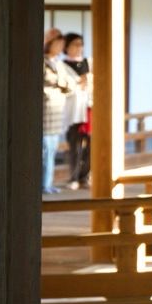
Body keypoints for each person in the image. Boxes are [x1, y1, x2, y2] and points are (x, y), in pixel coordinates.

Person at [41, 33, 76, 196]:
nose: (60, 48)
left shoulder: (59, 64)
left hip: (57, 111)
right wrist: (60, 81)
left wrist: (59, 81)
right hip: (45, 113)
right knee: (44, 151)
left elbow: (70, 83)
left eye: (61, 45)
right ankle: (42, 184)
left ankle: (48, 183)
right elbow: (47, 79)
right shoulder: (42, 61)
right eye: (57, 44)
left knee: (52, 150)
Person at [62, 33, 92, 189]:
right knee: (75, 144)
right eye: (74, 44)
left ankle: (84, 176)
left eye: (80, 44)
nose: (78, 47)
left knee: (91, 144)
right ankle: (73, 177)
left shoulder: (88, 62)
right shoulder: (62, 65)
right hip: (72, 110)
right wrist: (79, 83)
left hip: (88, 108)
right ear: (66, 47)